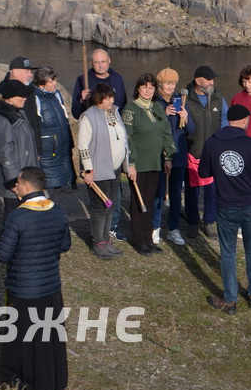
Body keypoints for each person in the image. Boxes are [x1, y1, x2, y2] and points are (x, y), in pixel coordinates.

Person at [0, 166, 71, 390]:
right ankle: (53, 384)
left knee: (29, 342)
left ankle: (37, 388)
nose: (15, 187)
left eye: (17, 183)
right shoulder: (58, 211)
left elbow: (2, 255)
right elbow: (65, 245)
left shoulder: (17, 217)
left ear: (26, 186)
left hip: (25, 289)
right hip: (51, 287)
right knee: (49, 340)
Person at [199, 104, 251, 315]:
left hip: (226, 205)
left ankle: (230, 300)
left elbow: (203, 172)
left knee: (228, 253)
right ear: (245, 120)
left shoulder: (212, 143)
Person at [70, 48, 128, 240]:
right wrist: (82, 99)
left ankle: (112, 227)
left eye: (103, 61)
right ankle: (99, 237)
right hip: (98, 149)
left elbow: (122, 108)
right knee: (100, 203)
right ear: (91, 63)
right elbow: (77, 113)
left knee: (115, 195)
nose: (100, 65)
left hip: (115, 152)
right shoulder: (83, 80)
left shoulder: (117, 79)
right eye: (96, 62)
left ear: (109, 61)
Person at [121, 73, 175, 256]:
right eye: (144, 87)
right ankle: (139, 240)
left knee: (151, 201)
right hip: (138, 164)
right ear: (138, 88)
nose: (147, 90)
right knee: (139, 201)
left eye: (151, 87)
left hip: (155, 162)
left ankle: (149, 238)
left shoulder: (158, 107)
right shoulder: (130, 109)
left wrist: (168, 157)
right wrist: (131, 163)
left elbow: (166, 132)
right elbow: (127, 138)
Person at [78, 83, 133, 260]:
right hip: (98, 170)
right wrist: (88, 170)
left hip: (114, 168)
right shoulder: (88, 117)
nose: (112, 100)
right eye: (108, 98)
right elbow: (83, 146)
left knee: (110, 205)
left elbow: (123, 139)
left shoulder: (114, 112)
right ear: (99, 99)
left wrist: (127, 163)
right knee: (99, 208)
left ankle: (106, 238)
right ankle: (98, 242)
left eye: (112, 97)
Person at [184, 65, 228, 239]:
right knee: (192, 191)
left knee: (212, 190)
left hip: (212, 153)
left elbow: (225, 120)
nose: (212, 82)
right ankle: (192, 222)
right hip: (192, 151)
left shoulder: (218, 98)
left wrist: (222, 142)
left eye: (212, 79)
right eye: (208, 79)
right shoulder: (185, 98)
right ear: (198, 81)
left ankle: (209, 221)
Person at [152, 68, 194, 246]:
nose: (170, 87)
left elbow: (190, 130)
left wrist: (186, 117)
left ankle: (173, 229)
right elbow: (150, 128)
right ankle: (155, 227)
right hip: (160, 155)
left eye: (173, 83)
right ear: (160, 84)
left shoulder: (180, 100)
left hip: (178, 154)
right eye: (167, 83)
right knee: (159, 193)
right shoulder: (155, 102)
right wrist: (163, 114)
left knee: (176, 194)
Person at [0, 80, 37, 222]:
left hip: (24, 176)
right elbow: (5, 153)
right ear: (10, 98)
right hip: (16, 181)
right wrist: (14, 181)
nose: (25, 98)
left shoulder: (19, 113)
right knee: (14, 216)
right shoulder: (3, 119)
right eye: (21, 95)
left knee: (24, 216)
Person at [26, 66, 74, 189]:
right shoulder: (34, 98)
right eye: (51, 81)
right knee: (47, 188)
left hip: (61, 151)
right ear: (41, 84)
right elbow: (32, 126)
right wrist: (37, 152)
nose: (54, 83)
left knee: (58, 188)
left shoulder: (56, 94)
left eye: (55, 80)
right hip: (47, 154)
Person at [0, 56, 34, 134]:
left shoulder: (30, 89)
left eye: (30, 72)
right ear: (15, 72)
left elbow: (34, 120)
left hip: (29, 137)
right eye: (27, 71)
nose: (30, 75)